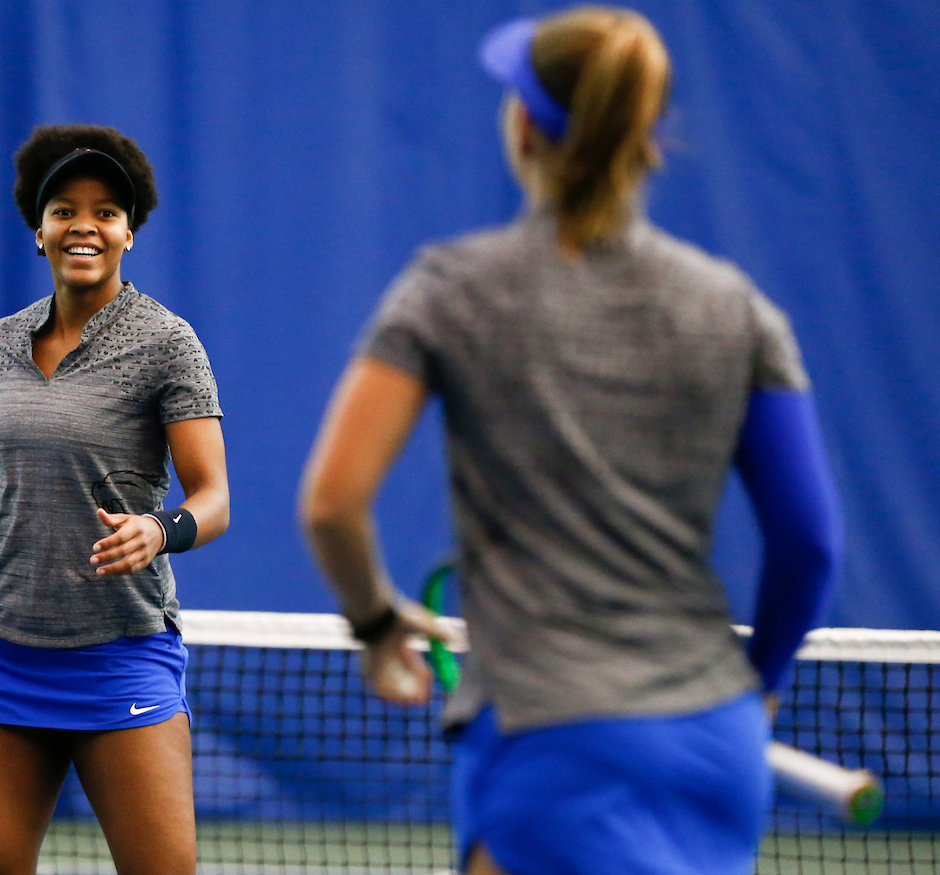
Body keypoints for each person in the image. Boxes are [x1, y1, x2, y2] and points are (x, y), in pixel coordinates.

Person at [299, 8, 841, 875]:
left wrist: (374, 618)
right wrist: (759, 683)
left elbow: (332, 503)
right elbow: (810, 545)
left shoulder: (450, 290)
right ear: (643, 135)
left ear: (523, 127)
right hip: (717, 746)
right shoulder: (738, 309)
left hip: (549, 740)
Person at [0, 123, 229, 875]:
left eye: (106, 211)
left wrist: (158, 529)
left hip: (122, 653)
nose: (84, 225)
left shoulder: (169, 343)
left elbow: (213, 498)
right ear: (38, 231)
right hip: (3, 653)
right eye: (64, 210)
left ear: (129, 233)